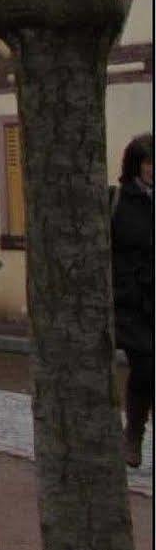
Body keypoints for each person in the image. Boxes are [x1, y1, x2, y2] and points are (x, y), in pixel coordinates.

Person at [113, 133, 153, 467]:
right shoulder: (118, 201)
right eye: (149, 162)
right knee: (145, 367)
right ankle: (134, 434)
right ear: (136, 165)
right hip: (133, 304)